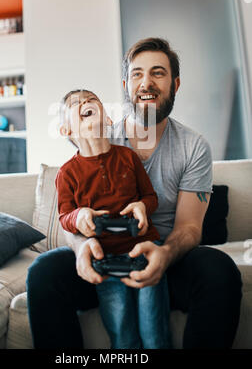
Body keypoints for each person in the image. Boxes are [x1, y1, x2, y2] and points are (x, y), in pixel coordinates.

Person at [26, 37, 242, 349]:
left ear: (175, 84)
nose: (147, 83)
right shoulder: (100, 133)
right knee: (44, 271)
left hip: (163, 256)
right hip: (104, 260)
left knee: (219, 270)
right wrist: (83, 245)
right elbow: (69, 214)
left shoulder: (193, 146)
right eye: (138, 74)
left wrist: (164, 255)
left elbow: (190, 228)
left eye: (158, 73)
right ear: (126, 84)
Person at [55, 88, 171, 348]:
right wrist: (80, 215)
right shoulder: (67, 173)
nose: (85, 101)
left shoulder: (128, 157)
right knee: (122, 334)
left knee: (155, 332)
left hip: (144, 252)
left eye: (92, 99)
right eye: (76, 103)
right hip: (104, 261)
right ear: (65, 130)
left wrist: (142, 206)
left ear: (107, 119)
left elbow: (151, 197)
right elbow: (65, 216)